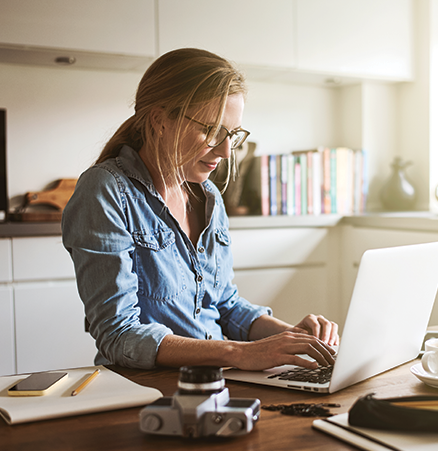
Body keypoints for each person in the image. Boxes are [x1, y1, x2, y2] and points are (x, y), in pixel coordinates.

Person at [62, 48, 339, 371]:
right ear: (160, 120)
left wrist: (295, 339)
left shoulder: (208, 197)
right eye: (211, 131)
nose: (225, 151)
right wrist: (238, 353)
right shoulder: (106, 191)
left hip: (218, 379)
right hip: (146, 387)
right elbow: (118, 334)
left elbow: (225, 306)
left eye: (232, 135)